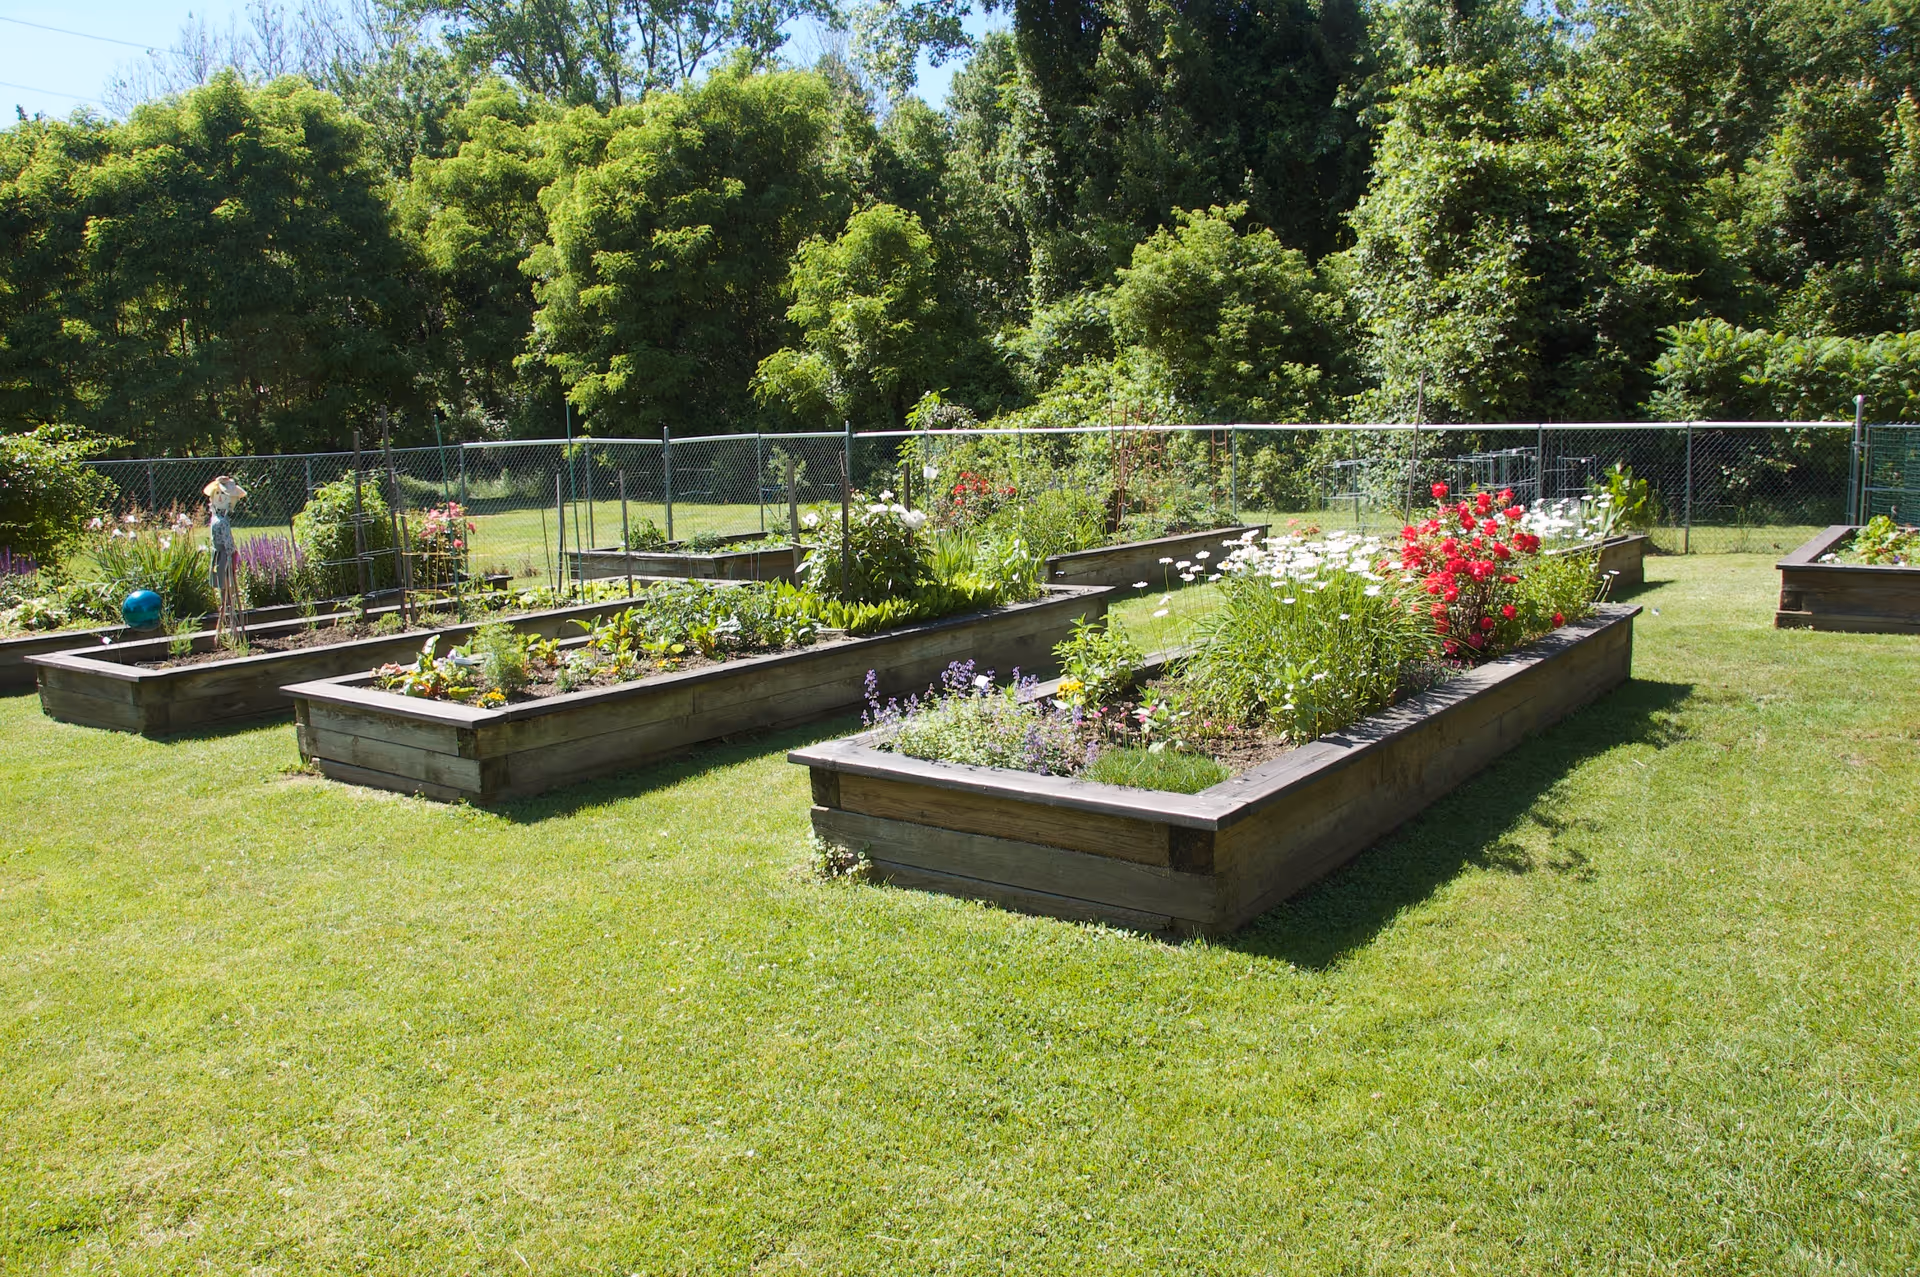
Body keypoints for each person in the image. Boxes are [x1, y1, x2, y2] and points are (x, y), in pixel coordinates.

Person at [203, 475, 247, 642]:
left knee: (226, 593)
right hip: (225, 559)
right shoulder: (222, 522)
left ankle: (228, 629)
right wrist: (233, 553)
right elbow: (228, 545)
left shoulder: (216, 519)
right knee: (229, 592)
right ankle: (233, 630)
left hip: (219, 558)